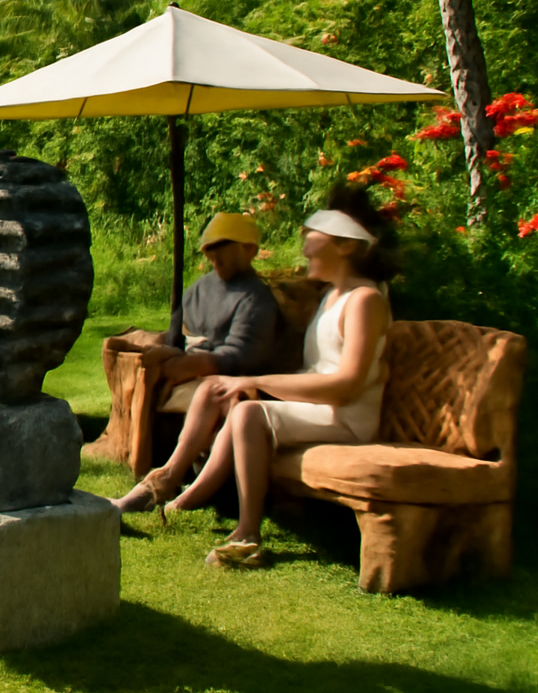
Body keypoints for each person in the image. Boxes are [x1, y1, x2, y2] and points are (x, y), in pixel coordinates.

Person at [111, 187, 395, 569]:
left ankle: (247, 535)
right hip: (321, 409)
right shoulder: (334, 297)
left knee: (248, 413)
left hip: (347, 418)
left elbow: (347, 386)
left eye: (314, 237)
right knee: (216, 389)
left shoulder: (365, 301)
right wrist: (245, 384)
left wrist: (256, 384)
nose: (305, 248)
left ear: (345, 245)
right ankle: (167, 486)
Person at [142, 212, 281, 404]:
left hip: (226, 378)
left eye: (222, 249)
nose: (214, 257)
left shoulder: (256, 298)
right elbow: (182, 332)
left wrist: (195, 364)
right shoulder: (199, 289)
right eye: (210, 250)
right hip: (185, 358)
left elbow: (242, 355)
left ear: (249, 249)